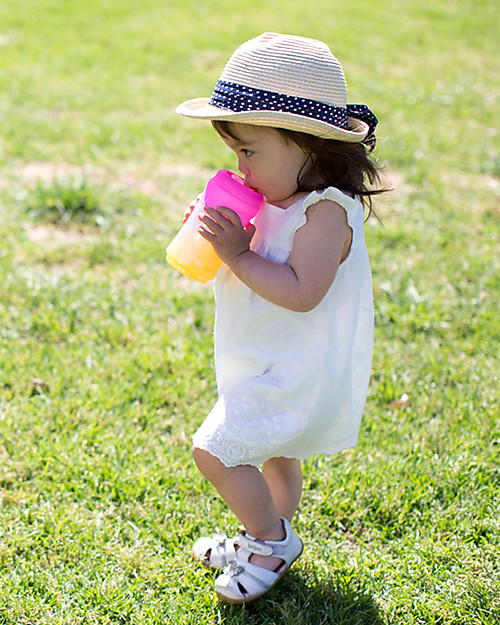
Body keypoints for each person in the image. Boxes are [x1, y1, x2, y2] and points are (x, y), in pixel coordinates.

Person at [174, 32, 383, 604]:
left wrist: (238, 254)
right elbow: (253, 247)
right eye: (235, 151)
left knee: (214, 450)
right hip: (267, 354)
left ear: (308, 146)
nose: (238, 165)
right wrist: (217, 230)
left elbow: (301, 292)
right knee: (276, 453)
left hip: (298, 367)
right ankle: (258, 533)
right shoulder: (274, 195)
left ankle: (271, 541)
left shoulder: (324, 214)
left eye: (248, 150)